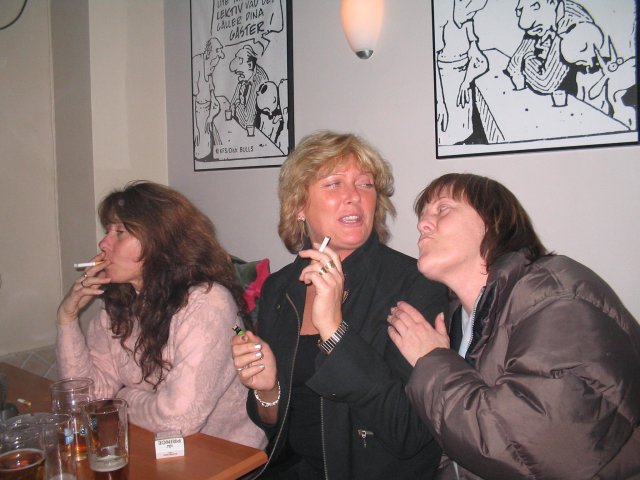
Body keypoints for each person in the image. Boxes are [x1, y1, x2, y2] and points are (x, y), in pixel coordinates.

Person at [387, 173, 640, 479]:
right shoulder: (463, 318)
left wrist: (431, 360)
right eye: (423, 215)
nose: (422, 224)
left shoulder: (557, 298)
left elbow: (525, 447)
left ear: (493, 222)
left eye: (443, 209)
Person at [231, 131, 448, 479]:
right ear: (299, 206)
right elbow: (274, 423)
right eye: (334, 184)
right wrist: (267, 390)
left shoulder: (416, 286)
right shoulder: (279, 289)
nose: (354, 196)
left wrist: (334, 332)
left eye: (365, 184)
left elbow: (411, 433)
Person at [56, 181, 266, 449]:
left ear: (160, 242)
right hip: (159, 448)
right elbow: (87, 398)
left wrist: (122, 399)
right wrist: (67, 318)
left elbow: (178, 418)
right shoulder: (120, 304)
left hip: (224, 454)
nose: (103, 243)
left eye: (119, 232)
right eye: (107, 230)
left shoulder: (207, 303)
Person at [192, 37, 225, 161]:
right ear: (207, 54)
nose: (215, 64)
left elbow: (214, 99)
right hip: (197, 112)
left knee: (207, 145)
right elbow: (192, 99)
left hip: (206, 112)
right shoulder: (197, 64)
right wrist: (195, 127)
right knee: (199, 145)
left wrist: (211, 116)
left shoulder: (210, 71)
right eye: (214, 59)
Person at [230, 44, 269, 129]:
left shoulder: (260, 80)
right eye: (237, 74)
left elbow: (248, 121)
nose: (239, 78)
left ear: (250, 65)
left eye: (240, 73)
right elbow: (232, 105)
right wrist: (236, 107)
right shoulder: (245, 76)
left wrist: (239, 106)